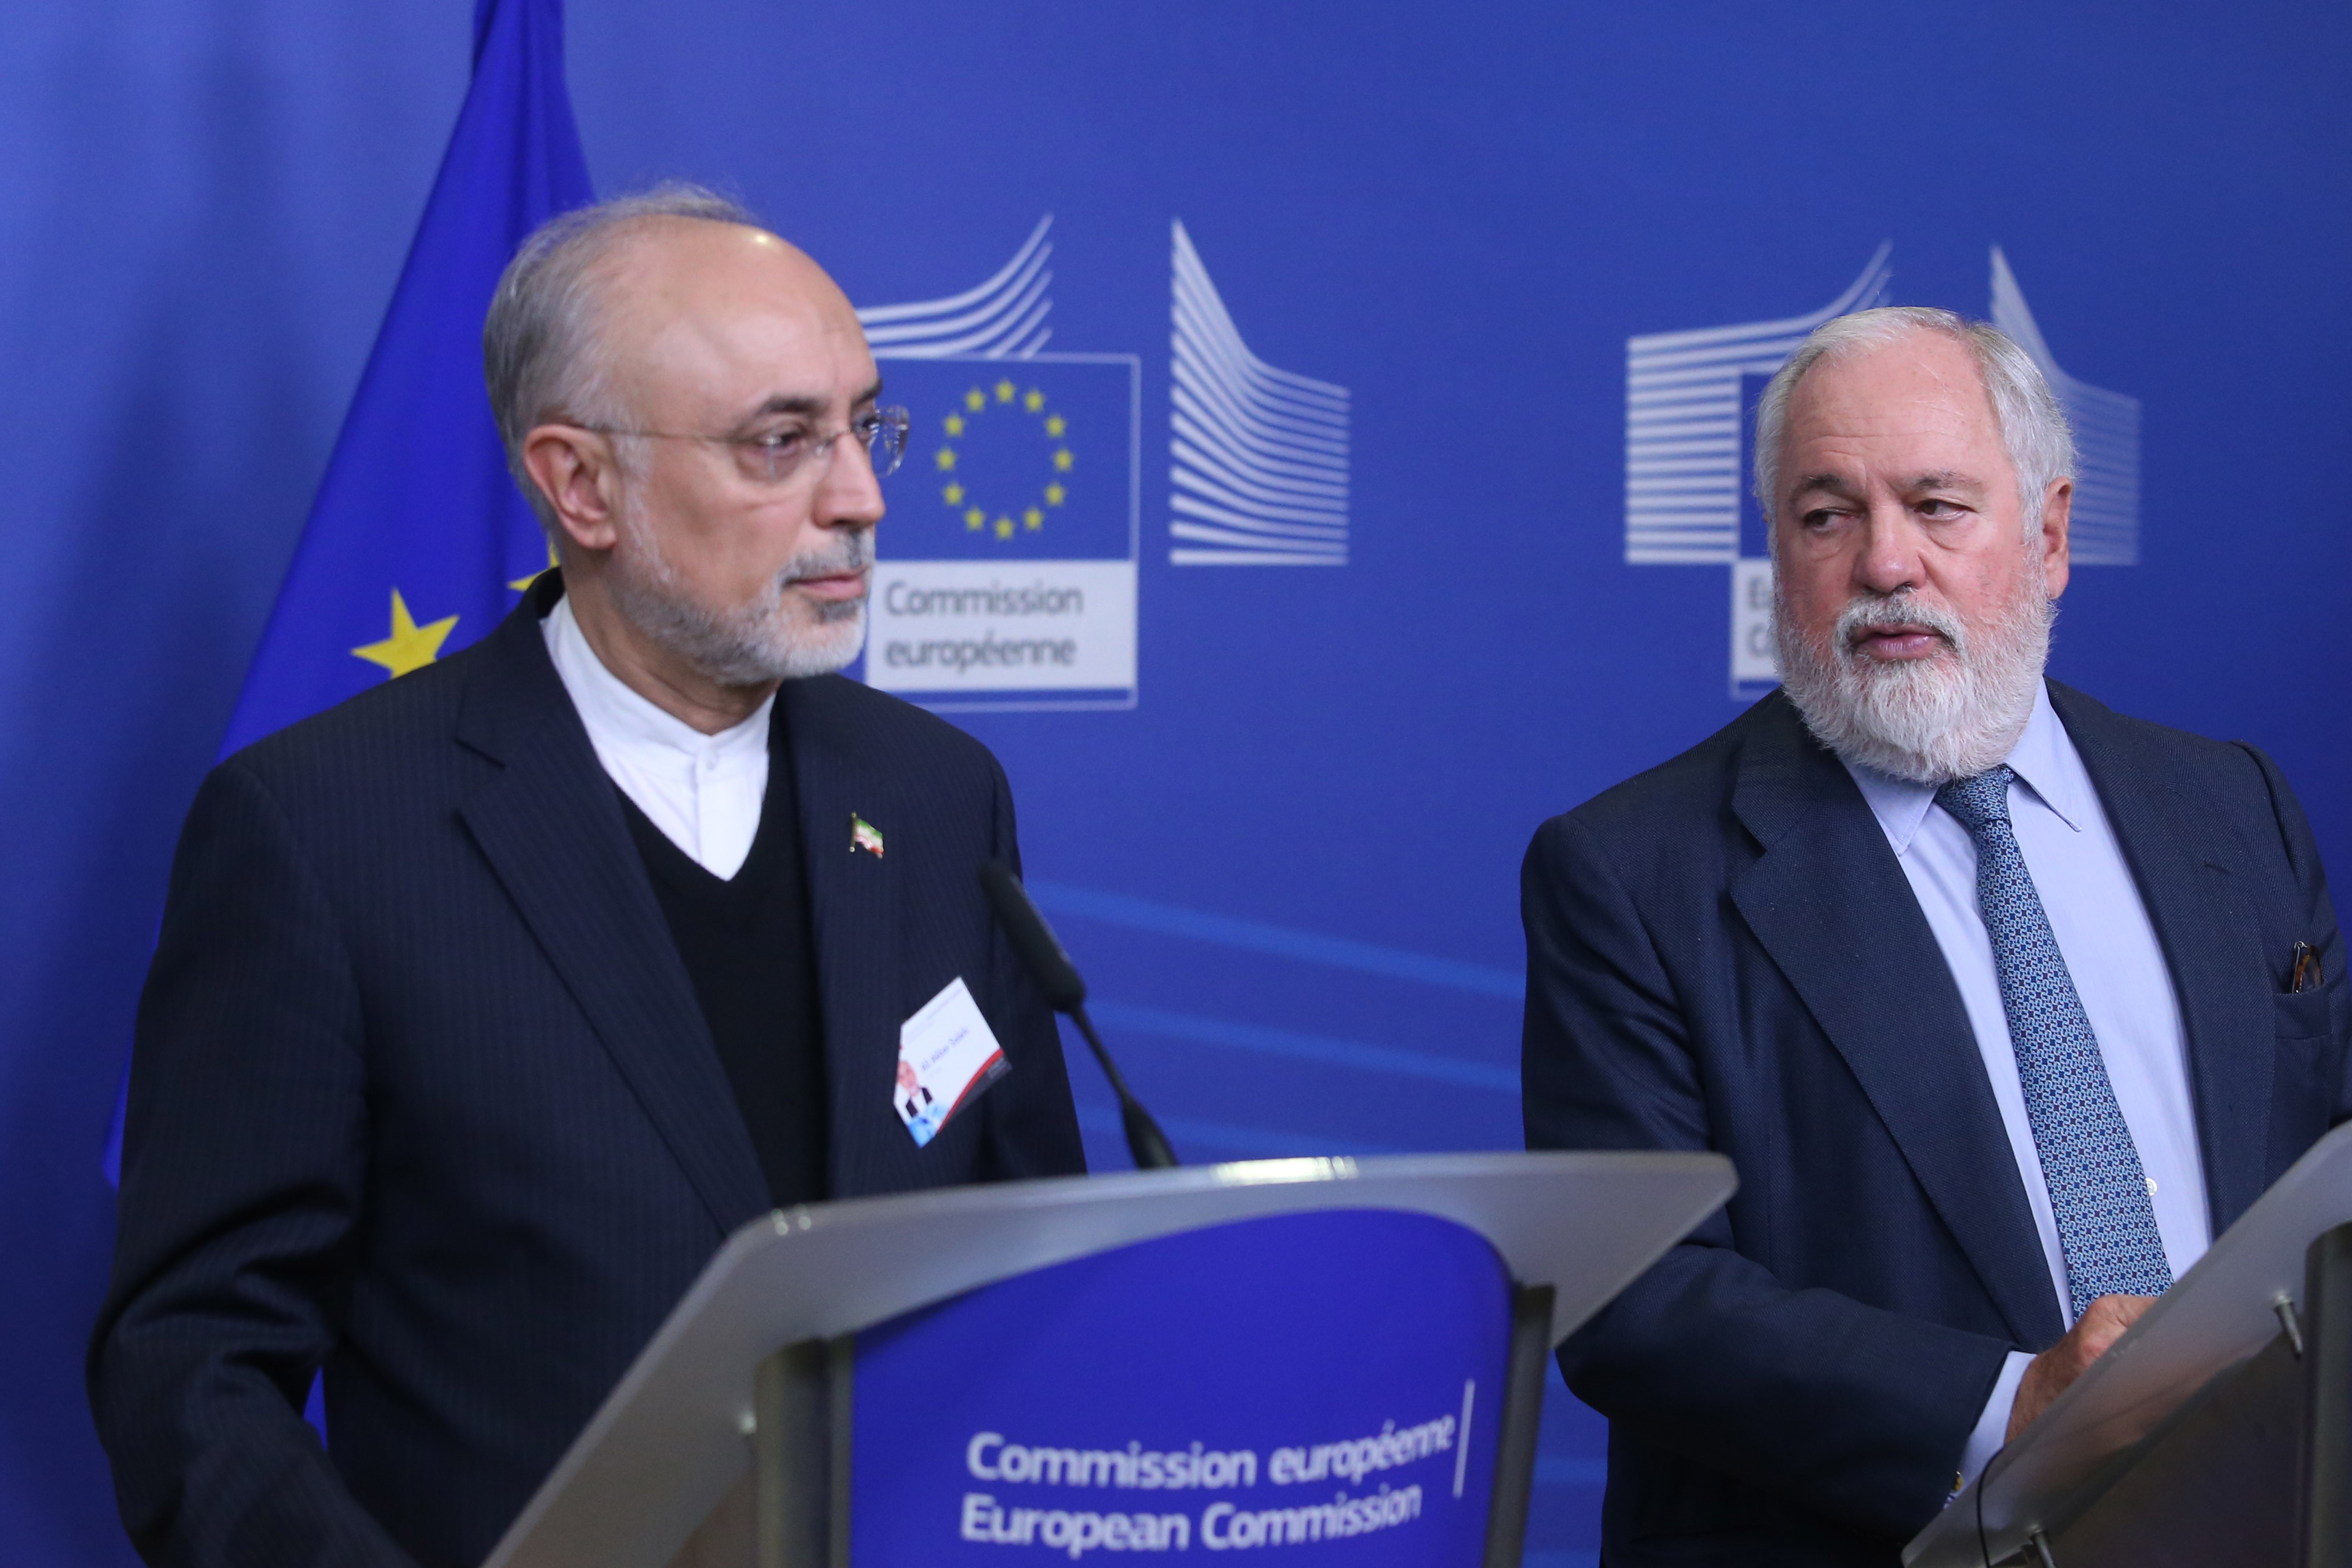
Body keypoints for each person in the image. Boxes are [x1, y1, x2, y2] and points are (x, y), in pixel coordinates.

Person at [89, 187, 1086, 1568]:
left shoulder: (932, 792)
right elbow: (193, 1361)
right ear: (579, 484)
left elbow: (1032, 1262)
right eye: (781, 442)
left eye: (867, 425)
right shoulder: (324, 832)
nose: (858, 496)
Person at [1521, 306, 2348, 1565]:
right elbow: (1641, 1298)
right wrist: (2010, 1402)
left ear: (2052, 533)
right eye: (1825, 514)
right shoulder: (1630, 873)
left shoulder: (2233, 805)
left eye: (1938, 504)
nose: (1885, 563)